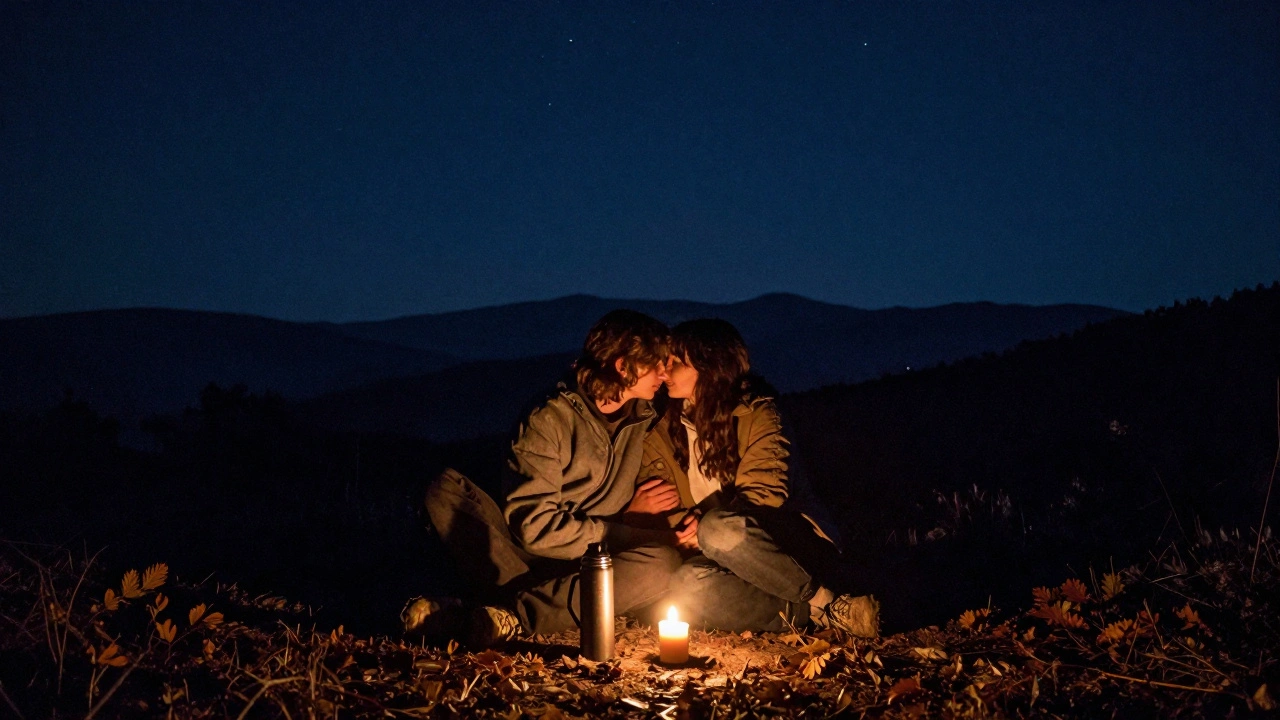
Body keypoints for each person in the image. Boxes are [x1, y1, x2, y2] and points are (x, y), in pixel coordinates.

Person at [407, 309, 687, 645]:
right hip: (529, 556)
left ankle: (501, 614)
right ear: (622, 365)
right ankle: (531, 608)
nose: (663, 372)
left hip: (594, 563)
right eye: (654, 363)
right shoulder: (551, 418)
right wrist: (623, 531)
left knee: (661, 564)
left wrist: (637, 522)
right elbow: (535, 528)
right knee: (444, 490)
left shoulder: (648, 417)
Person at [637, 319, 879, 636]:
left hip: (784, 544)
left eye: (678, 363)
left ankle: (828, 602)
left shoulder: (758, 413)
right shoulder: (663, 431)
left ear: (710, 368)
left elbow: (765, 493)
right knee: (687, 585)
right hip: (714, 551)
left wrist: (702, 523)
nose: (665, 372)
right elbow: (663, 504)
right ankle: (807, 614)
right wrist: (682, 528)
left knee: (718, 529)